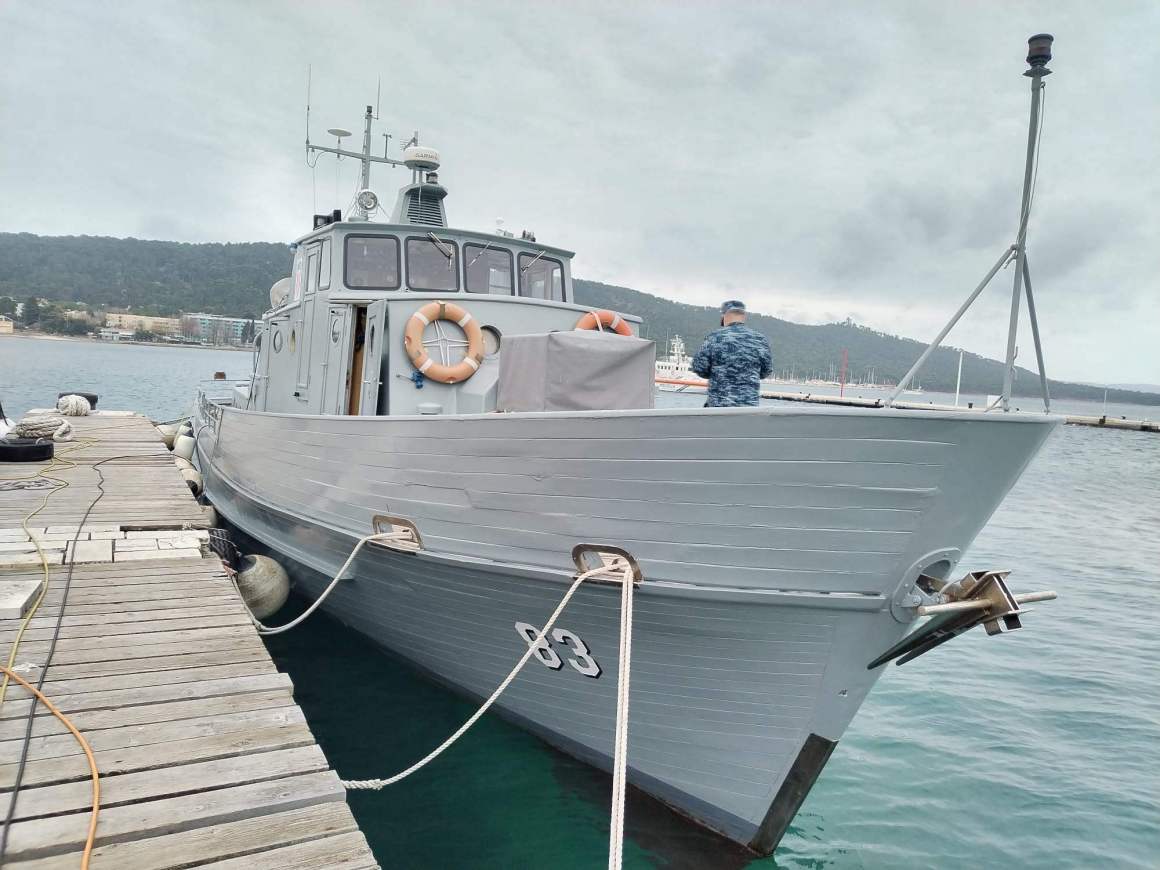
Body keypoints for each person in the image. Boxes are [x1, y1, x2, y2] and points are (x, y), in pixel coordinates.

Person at [690, 300, 773, 407]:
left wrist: (717, 372)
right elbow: (766, 371)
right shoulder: (760, 340)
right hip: (749, 409)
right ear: (744, 316)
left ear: (723, 316)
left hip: (719, 407)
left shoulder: (715, 337)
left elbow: (699, 368)